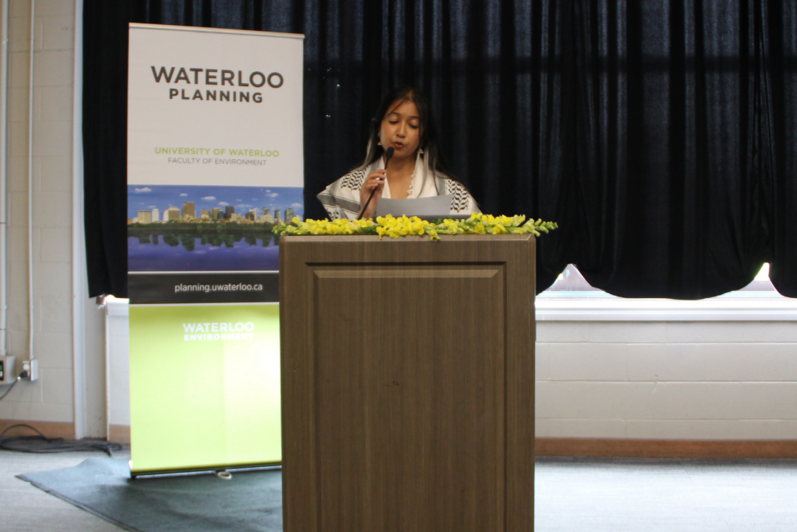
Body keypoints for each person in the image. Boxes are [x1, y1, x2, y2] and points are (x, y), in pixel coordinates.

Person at [317, 86, 479, 220]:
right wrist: (365, 213)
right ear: (379, 127)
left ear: (422, 135)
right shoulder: (348, 188)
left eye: (413, 125)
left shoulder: (451, 192)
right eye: (394, 121)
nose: (401, 132)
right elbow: (337, 254)